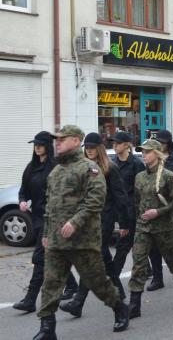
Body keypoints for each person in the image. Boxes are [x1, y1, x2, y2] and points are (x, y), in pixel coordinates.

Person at [33, 125, 129, 339]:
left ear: (77, 140)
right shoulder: (56, 172)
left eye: (62, 139)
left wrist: (75, 222)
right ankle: (47, 327)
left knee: (98, 282)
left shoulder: (89, 168)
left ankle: (120, 308)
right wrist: (47, 234)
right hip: (57, 241)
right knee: (50, 284)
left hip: (83, 240)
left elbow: (95, 200)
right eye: (56, 139)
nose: (57, 142)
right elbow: (50, 206)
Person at [60, 132, 129, 317]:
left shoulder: (109, 168)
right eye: (87, 148)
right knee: (104, 259)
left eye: (92, 148)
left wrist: (124, 223)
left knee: (90, 260)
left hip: (104, 221)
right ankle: (119, 293)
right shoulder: (82, 168)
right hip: (86, 221)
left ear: (99, 149)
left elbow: (120, 197)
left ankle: (78, 302)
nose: (89, 151)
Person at [14, 132, 79, 314]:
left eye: (40, 144)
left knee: (40, 258)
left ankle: (30, 299)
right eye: (35, 144)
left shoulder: (55, 167)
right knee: (54, 256)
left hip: (52, 219)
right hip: (36, 219)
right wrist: (23, 200)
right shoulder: (31, 167)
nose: (37, 147)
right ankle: (72, 285)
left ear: (47, 146)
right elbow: (23, 190)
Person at [127, 139, 173, 320]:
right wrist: (141, 217)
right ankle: (134, 304)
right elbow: (137, 201)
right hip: (143, 227)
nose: (144, 155)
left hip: (164, 228)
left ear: (157, 153)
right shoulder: (139, 177)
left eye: (147, 152)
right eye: (142, 152)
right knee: (138, 264)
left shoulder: (168, 176)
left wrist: (158, 212)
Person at [110, 132, 146, 288]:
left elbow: (142, 190)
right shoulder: (112, 163)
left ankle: (113, 277)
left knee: (124, 247)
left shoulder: (136, 164)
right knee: (128, 246)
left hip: (133, 211)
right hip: (118, 211)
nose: (114, 146)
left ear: (126, 145)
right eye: (113, 143)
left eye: (117, 143)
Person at [147, 129, 173, 292]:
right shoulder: (152, 160)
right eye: (158, 142)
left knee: (172, 248)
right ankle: (157, 277)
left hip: (170, 209)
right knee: (153, 248)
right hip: (153, 208)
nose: (160, 145)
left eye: (163, 142)